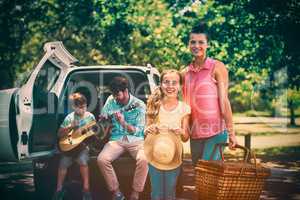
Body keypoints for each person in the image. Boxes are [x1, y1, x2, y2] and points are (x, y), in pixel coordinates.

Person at [181, 22, 238, 166]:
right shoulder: (184, 73)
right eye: (193, 42)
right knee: (199, 175)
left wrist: (231, 133)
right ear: (188, 44)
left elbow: (224, 101)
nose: (196, 45)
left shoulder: (217, 67)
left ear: (208, 45)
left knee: (208, 172)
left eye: (201, 42)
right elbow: (184, 107)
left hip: (216, 131)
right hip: (195, 133)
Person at [97, 76, 148, 200]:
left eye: (118, 95)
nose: (116, 99)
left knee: (144, 159)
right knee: (102, 159)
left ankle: (135, 193)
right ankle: (117, 192)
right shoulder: (111, 100)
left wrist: (123, 123)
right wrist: (103, 119)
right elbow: (104, 116)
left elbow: (139, 130)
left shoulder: (139, 105)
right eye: (114, 95)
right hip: (116, 139)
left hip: (135, 140)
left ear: (126, 91)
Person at [144, 69, 191, 200]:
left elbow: (186, 137)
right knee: (156, 192)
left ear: (180, 86)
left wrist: (180, 131)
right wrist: (149, 129)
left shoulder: (184, 108)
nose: (170, 86)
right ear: (160, 84)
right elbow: (146, 128)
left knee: (170, 192)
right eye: (166, 82)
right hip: (155, 153)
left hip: (173, 154)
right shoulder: (154, 105)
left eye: (174, 83)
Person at [53, 93, 95, 200]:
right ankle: (59, 189)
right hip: (70, 146)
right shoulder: (69, 118)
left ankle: (86, 189)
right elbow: (59, 134)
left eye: (84, 106)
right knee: (63, 163)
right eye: (80, 107)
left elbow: (94, 131)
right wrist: (71, 127)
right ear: (74, 107)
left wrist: (91, 133)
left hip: (83, 146)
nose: (83, 109)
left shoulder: (90, 116)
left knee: (82, 161)